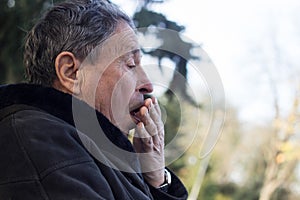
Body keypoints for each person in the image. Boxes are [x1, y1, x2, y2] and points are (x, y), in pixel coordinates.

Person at [0, 0, 188, 199]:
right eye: (131, 64)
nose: (148, 85)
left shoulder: (92, 152)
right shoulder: (39, 141)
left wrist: (156, 179)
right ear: (71, 72)